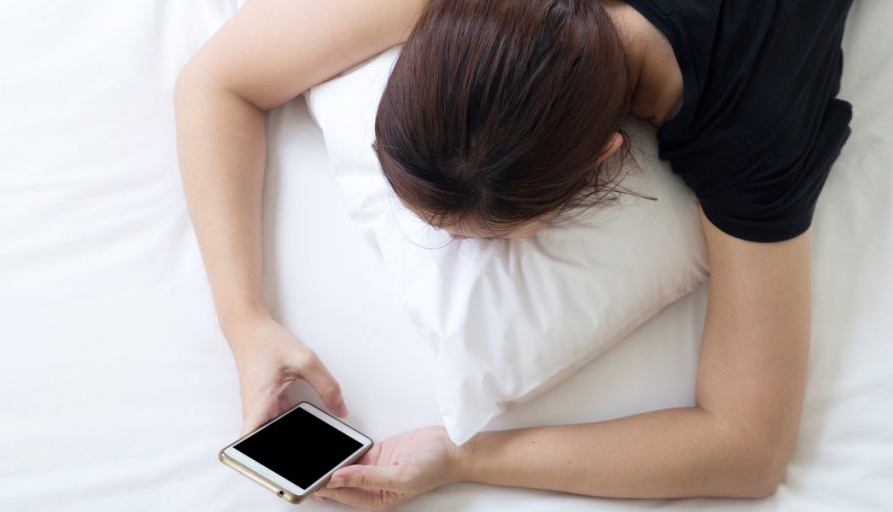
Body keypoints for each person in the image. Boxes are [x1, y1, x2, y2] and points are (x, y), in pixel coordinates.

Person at [173, 0, 854, 509]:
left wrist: (468, 458)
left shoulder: (751, 131)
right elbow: (217, 81)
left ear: (604, 155)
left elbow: (748, 448)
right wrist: (246, 319)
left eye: (488, 237)